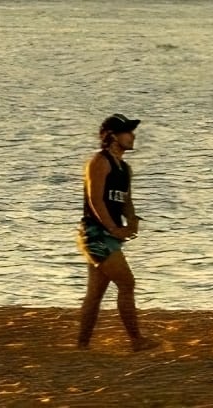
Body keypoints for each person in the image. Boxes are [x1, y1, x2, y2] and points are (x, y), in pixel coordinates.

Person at [76, 113, 148, 350]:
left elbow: (126, 201)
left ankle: (82, 345)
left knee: (95, 293)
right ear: (113, 137)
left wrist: (132, 221)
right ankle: (136, 341)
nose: (132, 136)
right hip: (96, 234)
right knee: (127, 283)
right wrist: (113, 229)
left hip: (109, 235)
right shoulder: (100, 162)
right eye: (127, 132)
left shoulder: (125, 168)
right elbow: (95, 200)